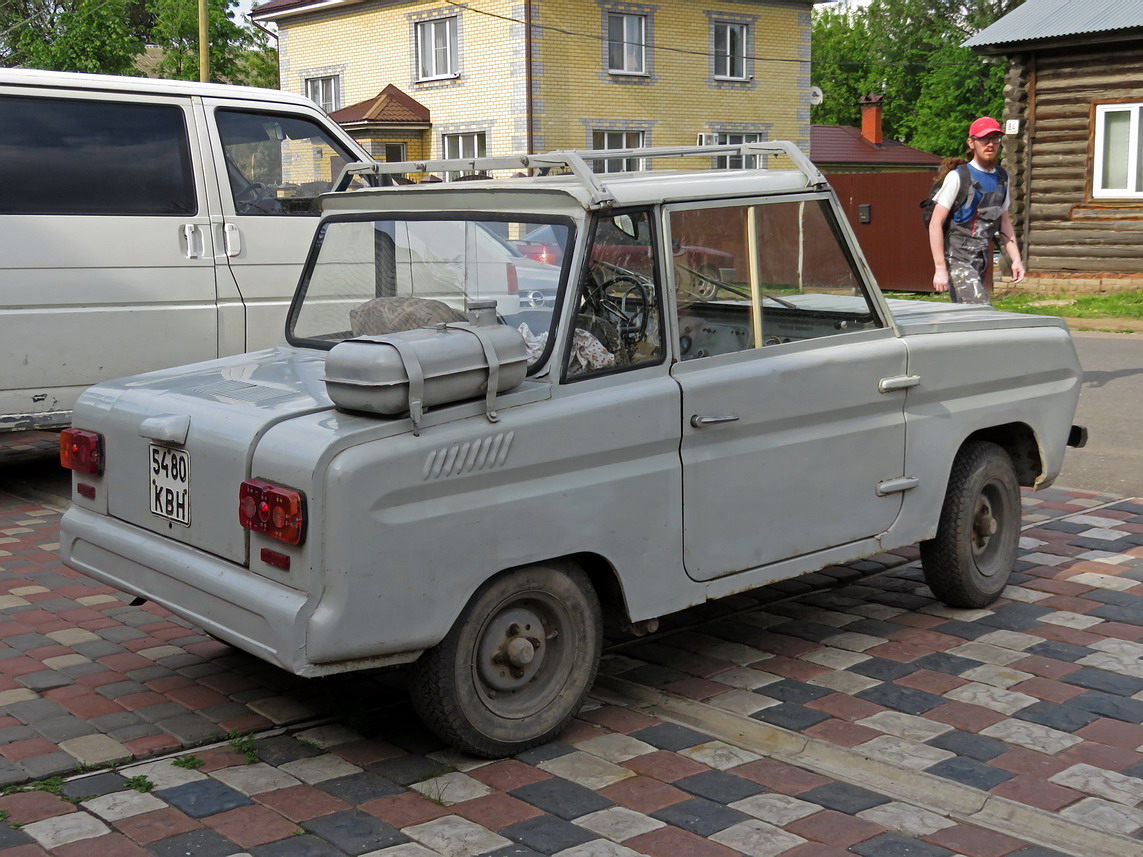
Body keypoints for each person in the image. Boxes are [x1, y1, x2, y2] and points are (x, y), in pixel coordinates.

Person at [929, 116, 1025, 304]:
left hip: (981, 258)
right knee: (981, 309)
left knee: (967, 317)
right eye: (984, 139)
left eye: (995, 139)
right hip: (957, 258)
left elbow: (1004, 223)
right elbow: (935, 223)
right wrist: (940, 268)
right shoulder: (958, 178)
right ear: (971, 143)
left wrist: (1016, 259)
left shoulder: (1002, 178)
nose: (990, 144)